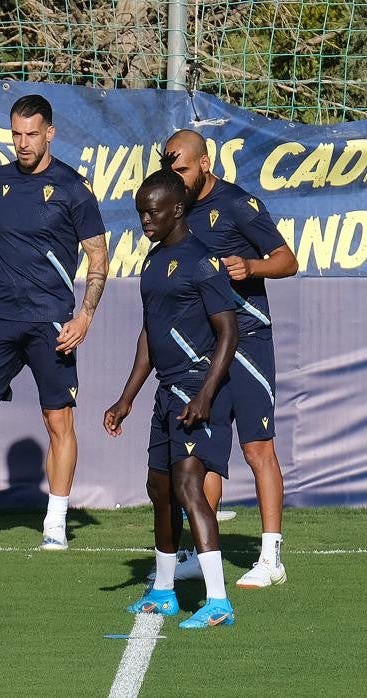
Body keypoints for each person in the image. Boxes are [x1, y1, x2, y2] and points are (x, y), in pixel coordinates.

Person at [0, 94, 109, 551]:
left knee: (58, 422)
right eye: (16, 134)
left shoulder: (74, 188)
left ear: (49, 133)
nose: (23, 143)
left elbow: (98, 258)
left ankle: (55, 524)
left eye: (32, 134)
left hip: (51, 320)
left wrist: (85, 316)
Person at [104, 158, 238, 629]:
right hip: (166, 392)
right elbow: (149, 334)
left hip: (196, 390)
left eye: (154, 212)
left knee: (187, 486)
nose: (146, 221)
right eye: (141, 212)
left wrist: (205, 394)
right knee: (158, 489)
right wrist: (126, 398)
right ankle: (164, 591)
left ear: (177, 210)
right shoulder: (153, 261)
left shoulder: (203, 262)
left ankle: (219, 601)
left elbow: (229, 333)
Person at [164, 129, 297, 588]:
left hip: (249, 340)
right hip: (204, 348)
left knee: (258, 447)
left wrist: (252, 267)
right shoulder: (175, 212)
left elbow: (287, 259)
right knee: (203, 453)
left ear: (206, 163)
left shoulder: (239, 204)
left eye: (181, 168)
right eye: (169, 169)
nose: (175, 177)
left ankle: (270, 557)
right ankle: (202, 552)